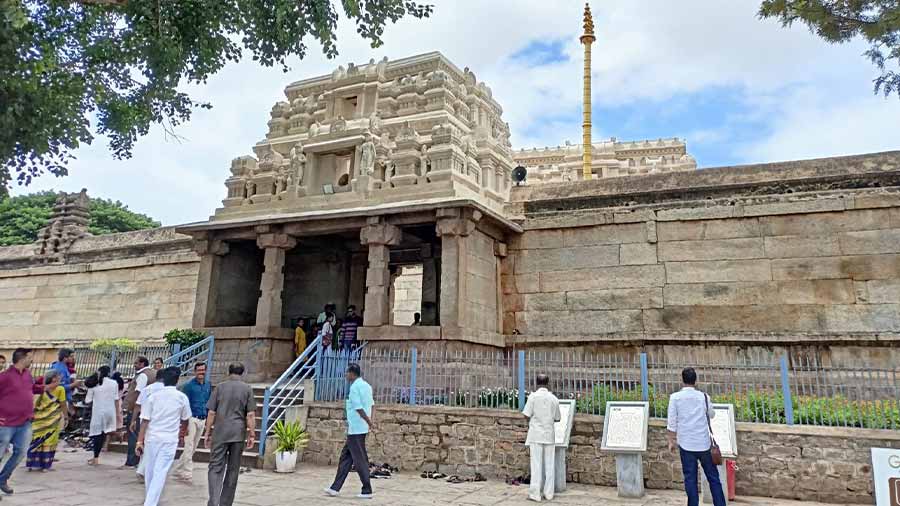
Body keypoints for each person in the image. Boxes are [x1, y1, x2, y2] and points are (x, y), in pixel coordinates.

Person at [667, 367, 726, 506]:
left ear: (682, 380)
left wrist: (671, 441)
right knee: (713, 478)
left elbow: (671, 422)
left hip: (686, 444)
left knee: (690, 479)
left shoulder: (675, 398)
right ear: (695, 380)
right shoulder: (704, 397)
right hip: (704, 443)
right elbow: (712, 414)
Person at [204, 363, 256, 506]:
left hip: (220, 431)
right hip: (238, 433)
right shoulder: (247, 389)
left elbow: (211, 412)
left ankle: (213, 501)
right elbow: (250, 415)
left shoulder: (220, 387)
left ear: (229, 372)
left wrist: (207, 432)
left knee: (215, 467)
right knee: (233, 469)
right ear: (242, 373)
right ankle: (225, 503)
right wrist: (252, 434)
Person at [137, 366, 190, 506]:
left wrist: (139, 441)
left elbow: (145, 421)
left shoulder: (153, 397)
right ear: (177, 380)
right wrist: (182, 434)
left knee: (150, 471)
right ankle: (150, 502)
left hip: (152, 438)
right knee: (159, 472)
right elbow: (185, 419)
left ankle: (150, 501)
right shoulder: (181, 397)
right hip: (169, 439)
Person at [324, 363, 374, 499]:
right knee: (345, 458)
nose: (346, 375)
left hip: (357, 428)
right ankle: (335, 487)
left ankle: (367, 489)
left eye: (347, 372)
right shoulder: (367, 386)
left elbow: (358, 407)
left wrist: (369, 421)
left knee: (360, 460)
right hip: (358, 428)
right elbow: (370, 406)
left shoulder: (355, 388)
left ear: (352, 373)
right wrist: (369, 421)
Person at [0, 348, 35, 495]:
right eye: (30, 357)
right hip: (6, 423)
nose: (32, 360)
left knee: (20, 452)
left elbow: (31, 389)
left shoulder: (27, 375)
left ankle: (2, 479)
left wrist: (47, 387)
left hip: (24, 422)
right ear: (22, 358)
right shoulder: (5, 377)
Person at [522, 374, 561, 502]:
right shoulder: (554, 399)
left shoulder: (532, 397)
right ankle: (549, 493)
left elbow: (526, 414)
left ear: (537, 383)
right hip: (549, 434)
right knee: (549, 465)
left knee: (536, 465)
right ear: (548, 383)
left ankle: (535, 493)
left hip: (536, 434)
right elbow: (557, 418)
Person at [172, 362, 212, 483]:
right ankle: (187, 472)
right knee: (188, 445)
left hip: (202, 417)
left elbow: (209, 401)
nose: (201, 372)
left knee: (193, 447)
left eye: (203, 370)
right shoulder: (189, 386)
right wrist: (183, 423)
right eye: (199, 370)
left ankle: (178, 468)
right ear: (195, 372)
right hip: (191, 418)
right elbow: (183, 403)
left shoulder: (208, 385)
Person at [26, 369, 67, 472]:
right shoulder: (60, 389)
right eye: (59, 376)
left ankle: (31, 464)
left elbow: (34, 403)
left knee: (36, 440)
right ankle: (45, 465)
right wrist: (66, 416)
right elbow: (62, 404)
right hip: (52, 420)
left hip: (38, 420)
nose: (60, 378)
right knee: (49, 441)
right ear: (54, 378)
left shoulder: (40, 388)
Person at [123, 356, 157, 468]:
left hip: (138, 410)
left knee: (133, 434)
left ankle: (132, 461)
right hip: (149, 409)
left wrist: (131, 410)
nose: (134, 365)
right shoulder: (153, 373)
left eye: (136, 363)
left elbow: (137, 394)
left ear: (142, 364)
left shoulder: (142, 375)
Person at [86, 366, 121, 466]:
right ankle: (117, 435)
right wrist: (117, 413)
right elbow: (116, 399)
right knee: (105, 432)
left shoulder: (94, 385)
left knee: (97, 434)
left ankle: (95, 457)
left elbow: (87, 400)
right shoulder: (114, 383)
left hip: (98, 412)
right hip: (110, 411)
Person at [134, 375, 165, 480]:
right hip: (157, 420)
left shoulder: (147, 389)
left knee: (146, 443)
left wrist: (133, 419)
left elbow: (138, 404)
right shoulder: (165, 390)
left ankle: (143, 468)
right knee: (152, 446)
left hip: (144, 417)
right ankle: (142, 470)